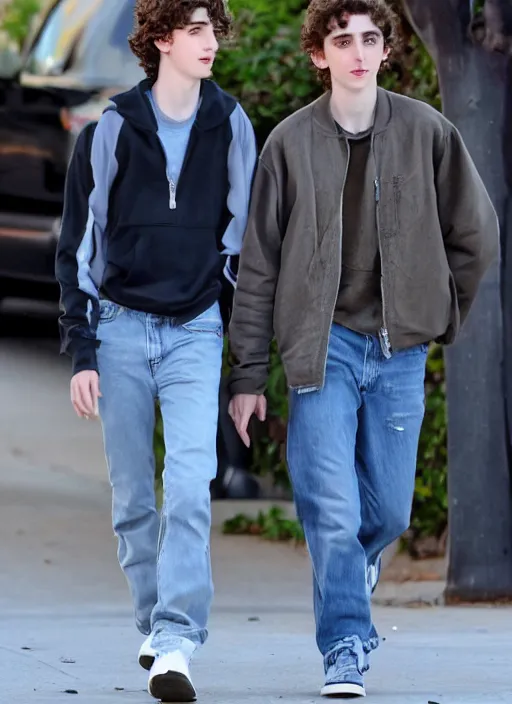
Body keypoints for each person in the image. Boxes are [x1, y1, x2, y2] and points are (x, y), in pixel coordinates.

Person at [227, 0, 498, 698]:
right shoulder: (287, 145)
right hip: (323, 350)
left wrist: (442, 313)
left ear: (385, 50)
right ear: (319, 54)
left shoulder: (427, 132)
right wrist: (249, 376)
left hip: (399, 351)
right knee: (330, 510)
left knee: (390, 516)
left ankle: (353, 565)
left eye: (370, 38)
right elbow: (258, 265)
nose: (357, 51)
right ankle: (345, 645)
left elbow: (476, 234)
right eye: (341, 39)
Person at [55, 0, 256, 700]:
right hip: (119, 329)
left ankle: (175, 639)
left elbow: (245, 245)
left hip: (196, 330)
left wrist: (243, 358)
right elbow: (78, 246)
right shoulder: (112, 129)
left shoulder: (229, 123)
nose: (211, 42)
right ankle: (153, 619)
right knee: (134, 497)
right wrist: (83, 349)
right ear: (163, 39)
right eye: (197, 29)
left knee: (190, 485)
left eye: (213, 29)